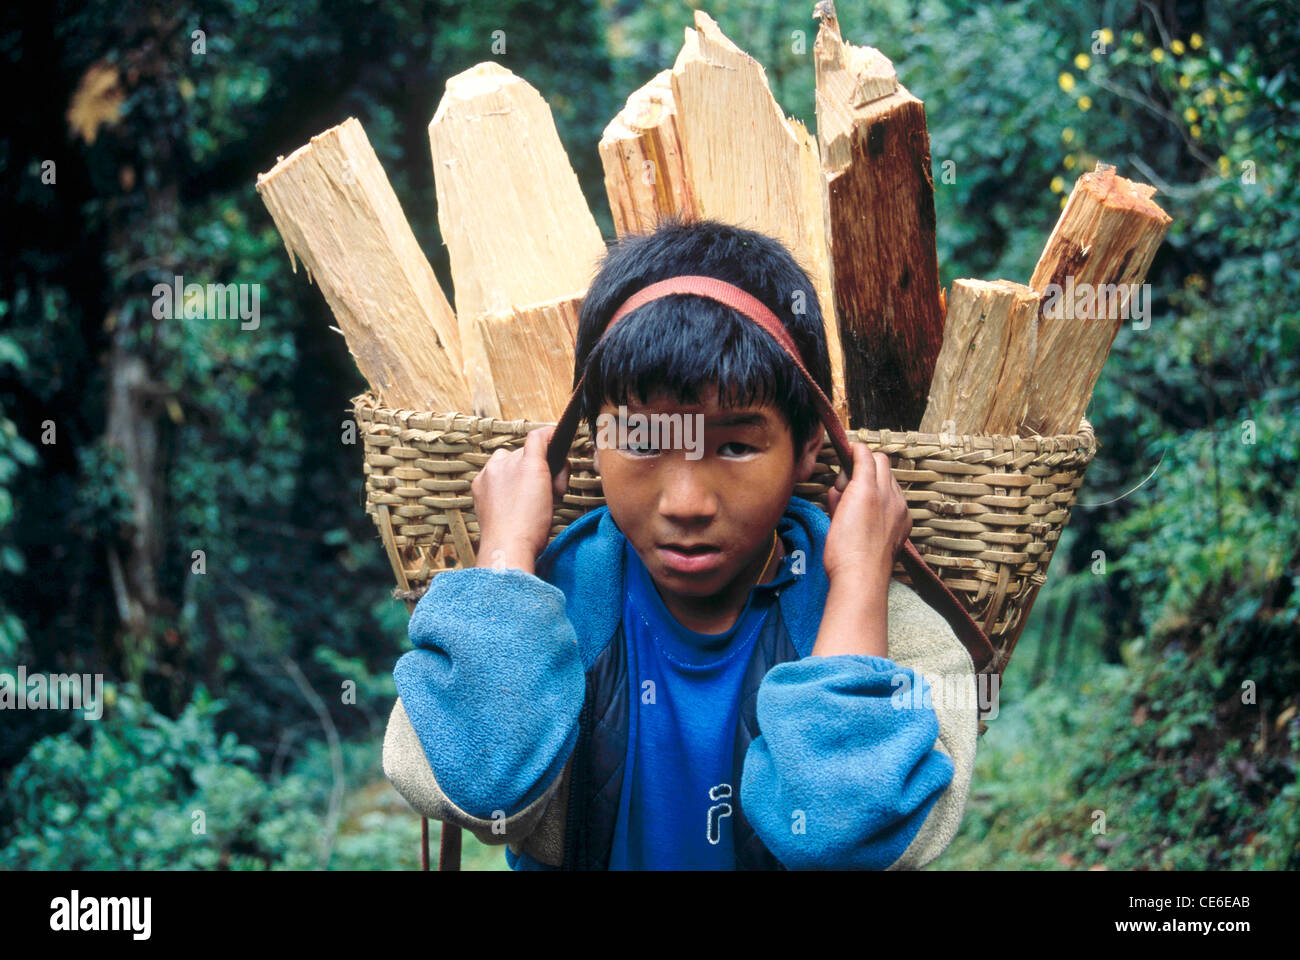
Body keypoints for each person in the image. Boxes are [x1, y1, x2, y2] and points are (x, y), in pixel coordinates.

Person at [382, 218, 978, 870]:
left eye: (735, 445)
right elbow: (481, 785)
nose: (686, 503)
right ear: (591, 442)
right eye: (640, 441)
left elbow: (843, 835)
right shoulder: (547, 606)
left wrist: (861, 572)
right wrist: (505, 549)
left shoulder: (900, 637)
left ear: (810, 447)